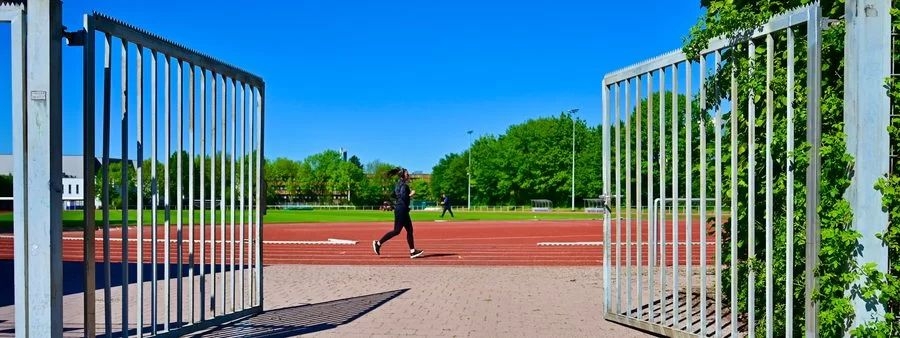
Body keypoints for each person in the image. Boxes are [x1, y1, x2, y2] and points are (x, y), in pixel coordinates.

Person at [373, 167, 425, 258]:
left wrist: (397, 203)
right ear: (403, 175)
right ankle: (378, 243)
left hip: (401, 209)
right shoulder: (404, 186)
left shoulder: (398, 185)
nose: (408, 175)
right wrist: (411, 194)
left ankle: (413, 251)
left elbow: (392, 195)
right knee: (397, 231)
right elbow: (404, 197)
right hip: (402, 210)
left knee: (409, 230)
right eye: (407, 174)